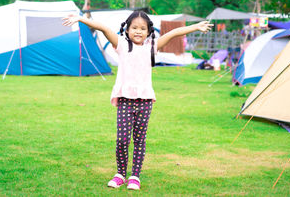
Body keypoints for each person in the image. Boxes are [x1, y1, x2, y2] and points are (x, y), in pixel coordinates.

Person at [62, 11, 212, 190]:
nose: (138, 31)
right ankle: (120, 174)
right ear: (127, 29)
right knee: (122, 140)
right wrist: (80, 18)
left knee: (139, 139)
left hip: (145, 101)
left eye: (142, 28)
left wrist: (195, 26)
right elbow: (102, 27)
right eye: (134, 28)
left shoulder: (152, 46)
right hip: (125, 100)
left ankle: (135, 176)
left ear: (149, 31)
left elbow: (173, 34)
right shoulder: (121, 44)